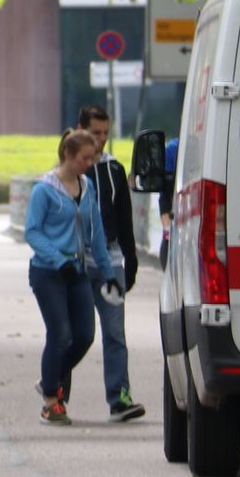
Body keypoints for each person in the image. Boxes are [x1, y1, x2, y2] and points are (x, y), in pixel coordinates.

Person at [25, 129, 119, 425]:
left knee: (85, 335)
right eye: (84, 158)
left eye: (92, 159)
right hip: (48, 272)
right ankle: (51, 401)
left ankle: (49, 378)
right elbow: (32, 231)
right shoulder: (44, 190)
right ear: (68, 154)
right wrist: (57, 259)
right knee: (60, 333)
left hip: (77, 271)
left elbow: (97, 233)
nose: (89, 164)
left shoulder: (87, 187)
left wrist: (108, 273)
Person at [78, 105, 148, 422]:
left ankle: (120, 398)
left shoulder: (115, 170)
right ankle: (56, 395)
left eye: (106, 133)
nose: (101, 139)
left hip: (112, 261)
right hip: (78, 263)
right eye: (95, 133)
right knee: (72, 335)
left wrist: (130, 262)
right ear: (81, 131)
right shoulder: (71, 170)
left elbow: (124, 220)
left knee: (115, 333)